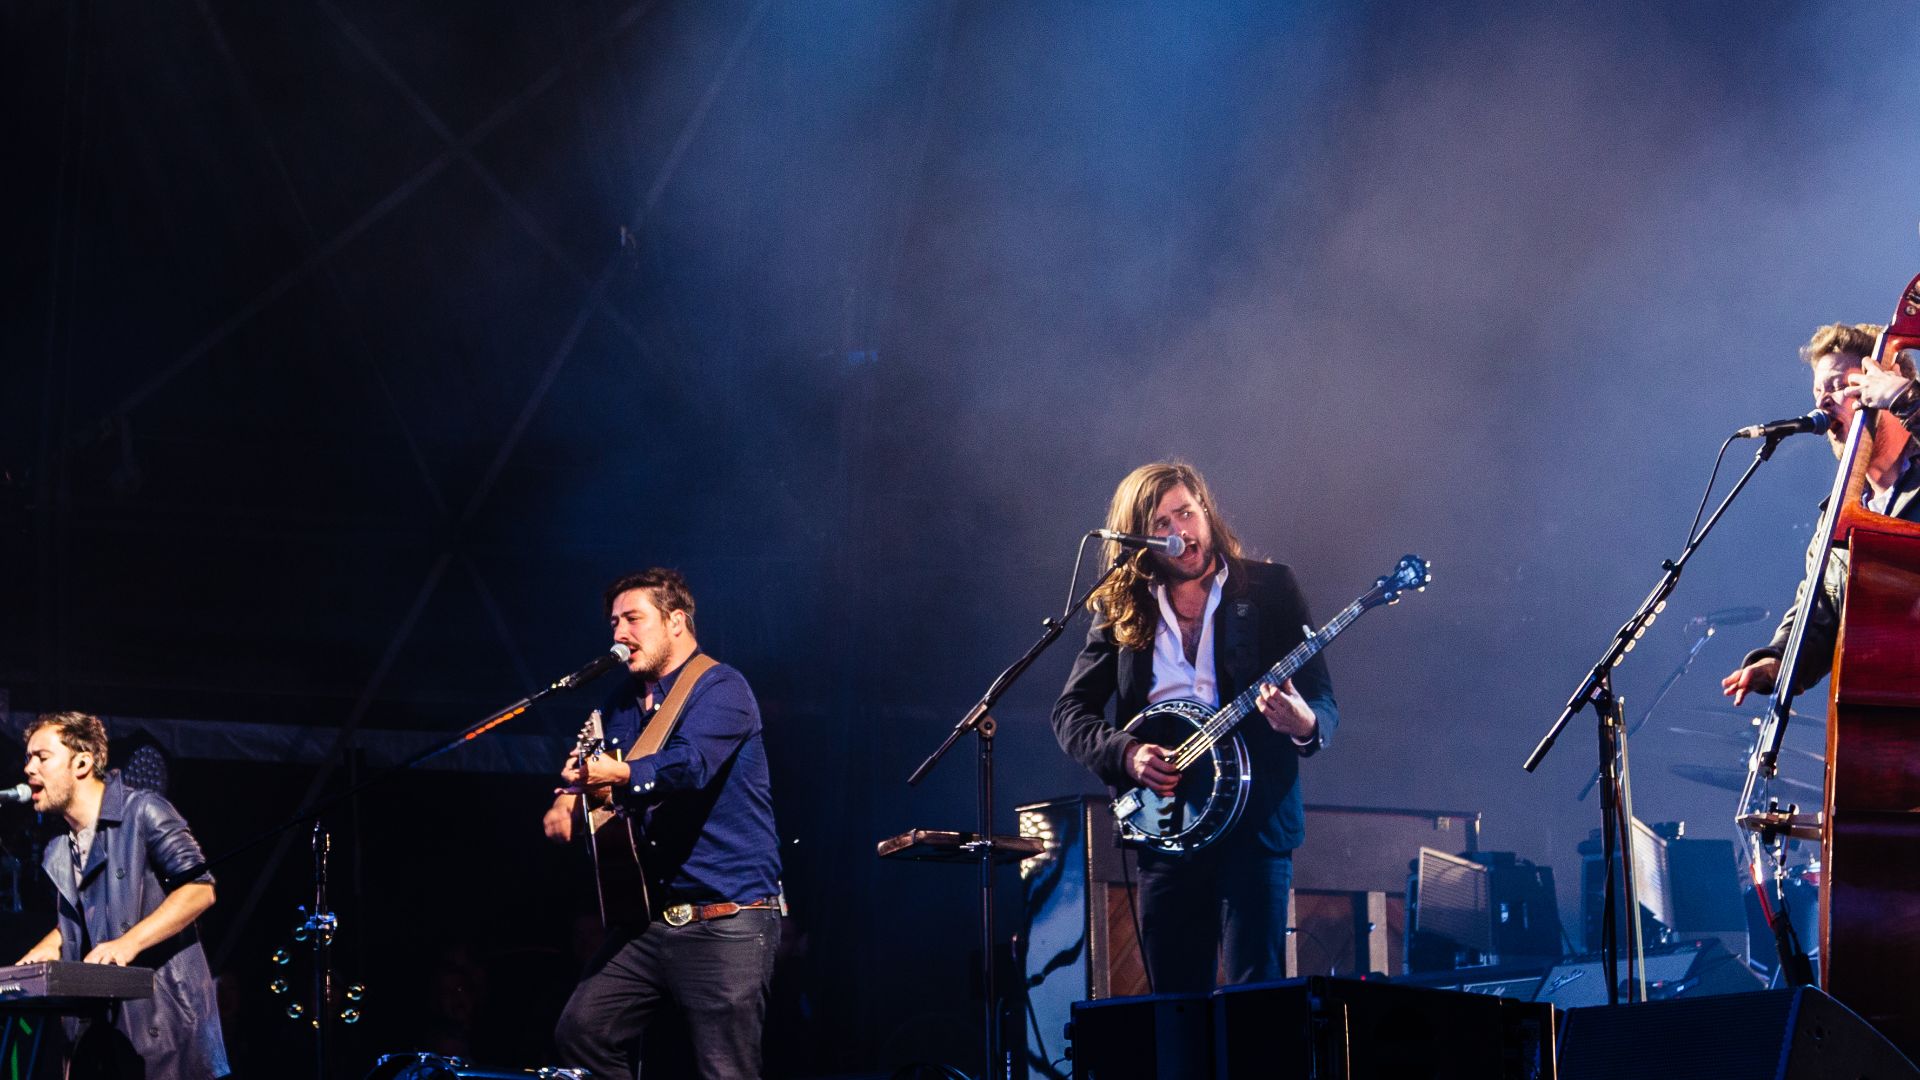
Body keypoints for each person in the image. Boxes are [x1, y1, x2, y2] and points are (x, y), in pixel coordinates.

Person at [1051, 461, 1338, 991]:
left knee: (1259, 1001)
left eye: (1187, 513)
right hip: (1167, 828)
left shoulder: (1270, 588)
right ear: (1140, 540)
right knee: (1176, 1009)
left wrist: (1303, 723)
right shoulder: (1123, 606)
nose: (1180, 531)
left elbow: (1322, 698)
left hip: (1255, 827)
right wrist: (1127, 753)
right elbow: (1071, 713)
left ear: (1205, 512)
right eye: (1161, 524)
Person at [548, 568, 782, 1080]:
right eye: (614, 623)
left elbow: (689, 765)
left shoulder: (722, 687)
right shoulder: (620, 704)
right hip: (649, 920)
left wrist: (625, 774)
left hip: (727, 919)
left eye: (633, 619)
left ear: (676, 621)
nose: (619, 634)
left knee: (726, 1072)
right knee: (582, 1031)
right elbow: (591, 769)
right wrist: (568, 796)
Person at [16, 711, 229, 1079]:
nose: (29, 768)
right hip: (101, 1033)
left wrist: (127, 943)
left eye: (42, 757)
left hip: (166, 1023)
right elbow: (91, 914)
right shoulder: (58, 849)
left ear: (81, 762)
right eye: (28, 758)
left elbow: (199, 889)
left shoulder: (144, 810)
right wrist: (49, 947)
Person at [1723, 323, 1920, 704]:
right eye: (1818, 392)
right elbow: (1820, 608)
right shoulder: (1843, 513)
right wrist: (1777, 659)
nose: (1823, 403)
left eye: (1839, 386)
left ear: (1884, 384)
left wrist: (1907, 398)